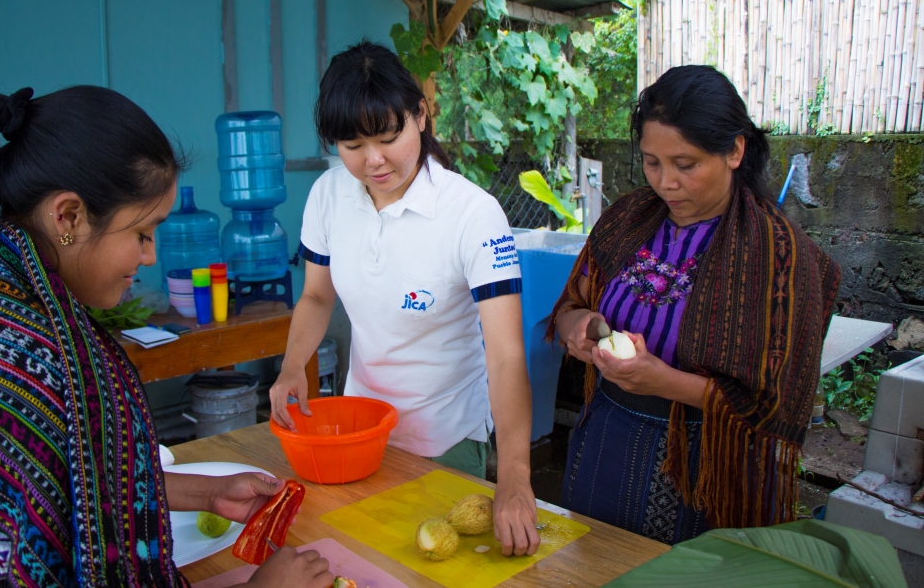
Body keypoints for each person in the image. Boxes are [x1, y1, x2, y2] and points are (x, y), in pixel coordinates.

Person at [0, 86, 333, 587]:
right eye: (143, 234)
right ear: (67, 218)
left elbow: (66, 486)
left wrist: (205, 494)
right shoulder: (37, 363)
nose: (149, 257)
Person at [269, 41, 540, 556]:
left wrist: (515, 478)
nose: (373, 161)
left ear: (420, 115)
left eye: (388, 137)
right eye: (351, 146)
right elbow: (315, 297)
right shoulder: (328, 196)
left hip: (446, 442)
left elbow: (504, 356)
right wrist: (290, 368)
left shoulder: (472, 215)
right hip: (360, 434)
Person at [548, 65, 840, 543]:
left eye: (685, 165)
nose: (666, 183)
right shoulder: (627, 219)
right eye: (651, 162)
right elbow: (568, 308)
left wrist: (662, 381)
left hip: (712, 468)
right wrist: (578, 326)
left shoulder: (776, 253)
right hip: (606, 447)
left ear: (734, 151)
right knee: (593, 567)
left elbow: (776, 403)